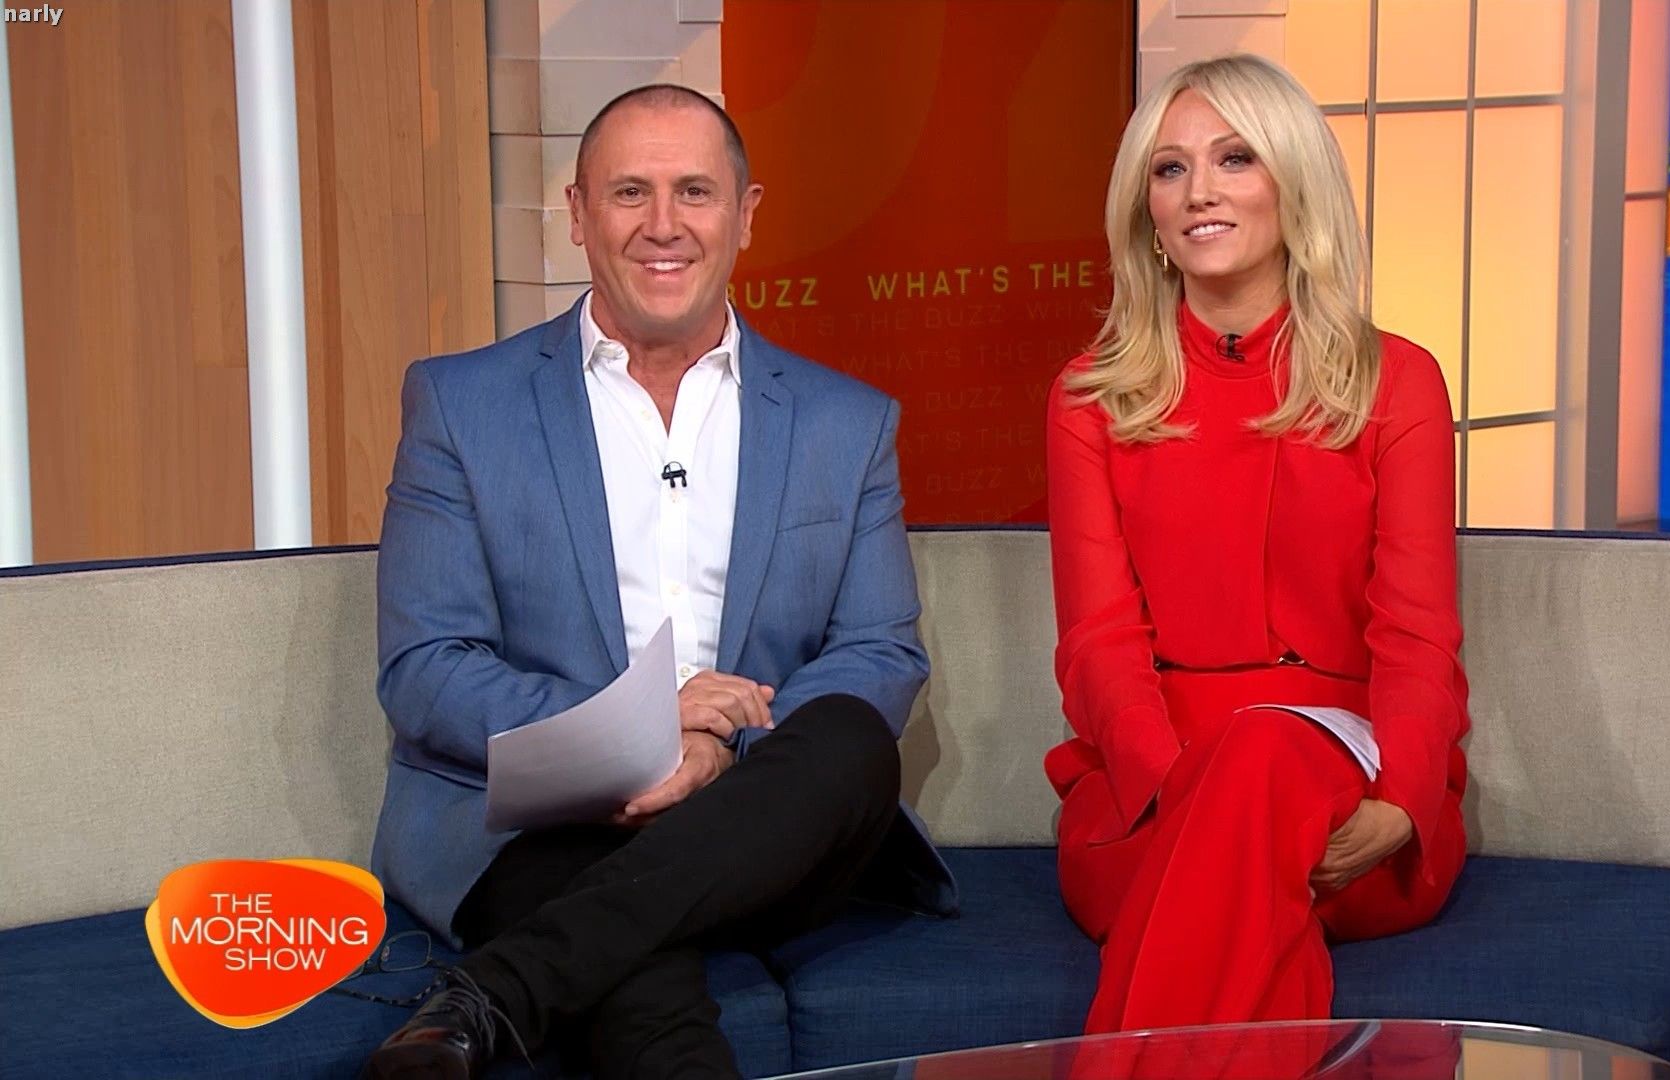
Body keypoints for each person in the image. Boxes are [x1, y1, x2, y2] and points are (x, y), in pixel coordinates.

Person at [360, 84, 953, 1079]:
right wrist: (637, 734)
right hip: (551, 822)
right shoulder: (463, 402)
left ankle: (493, 994)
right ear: (579, 213)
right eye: (630, 192)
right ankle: (538, 982)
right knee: (640, 986)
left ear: (746, 214)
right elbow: (426, 667)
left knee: (849, 737)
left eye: (695, 192)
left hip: (762, 815)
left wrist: (717, 751)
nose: (664, 225)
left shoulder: (845, 421)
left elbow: (878, 653)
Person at [1044, 53, 1469, 1034]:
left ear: (1293, 180)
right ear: (1146, 209)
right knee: (1239, 808)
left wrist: (1402, 803)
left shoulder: (1397, 382)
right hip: (1152, 799)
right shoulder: (1088, 398)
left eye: (1235, 158)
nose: (1200, 191)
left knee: (1265, 752)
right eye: (1171, 168)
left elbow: (1416, 634)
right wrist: (1188, 800)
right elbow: (1097, 641)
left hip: (1351, 799)